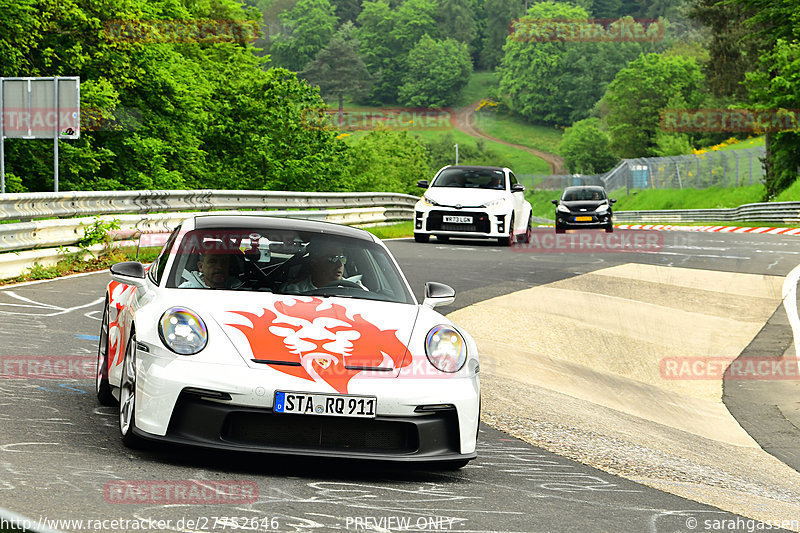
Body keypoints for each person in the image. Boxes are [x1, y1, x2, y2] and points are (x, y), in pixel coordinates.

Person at [281, 242, 366, 293]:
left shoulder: (355, 288)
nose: (339, 265)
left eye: (342, 258)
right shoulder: (294, 290)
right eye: (333, 259)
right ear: (315, 263)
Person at [179, 251, 244, 289]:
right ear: (201, 267)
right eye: (212, 262)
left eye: (224, 262)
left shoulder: (242, 290)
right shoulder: (185, 290)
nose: (219, 267)